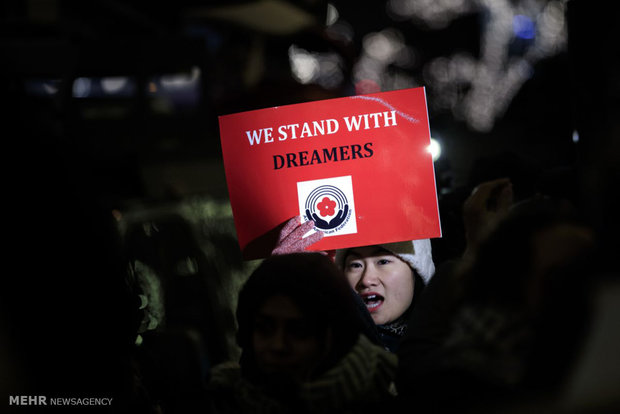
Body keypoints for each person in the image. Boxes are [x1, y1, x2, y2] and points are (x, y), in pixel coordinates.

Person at [206, 253, 398, 413]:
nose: (278, 345)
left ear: (333, 337)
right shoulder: (221, 401)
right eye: (264, 329)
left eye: (299, 332)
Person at [271, 215, 436, 352]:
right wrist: (282, 283)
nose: (366, 279)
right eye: (355, 265)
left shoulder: (446, 343)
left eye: (383, 262)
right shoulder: (323, 342)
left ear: (416, 272)